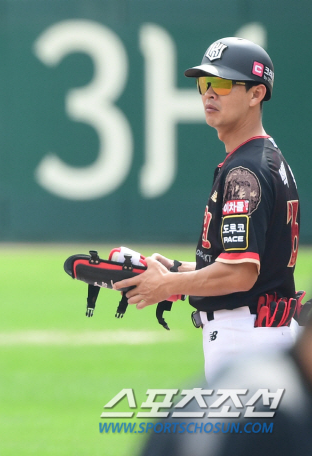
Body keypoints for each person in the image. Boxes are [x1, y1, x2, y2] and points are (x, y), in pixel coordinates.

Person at [114, 37, 301, 382]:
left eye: (223, 83)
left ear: (256, 94)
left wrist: (167, 283)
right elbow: (247, 265)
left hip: (247, 340)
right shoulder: (263, 158)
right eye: (205, 83)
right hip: (258, 333)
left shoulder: (246, 171)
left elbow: (240, 274)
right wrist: (174, 272)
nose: (209, 93)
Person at [140, 312, 312, 456]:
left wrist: (168, 282)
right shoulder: (275, 404)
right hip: (241, 331)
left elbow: (242, 276)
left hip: (245, 330)